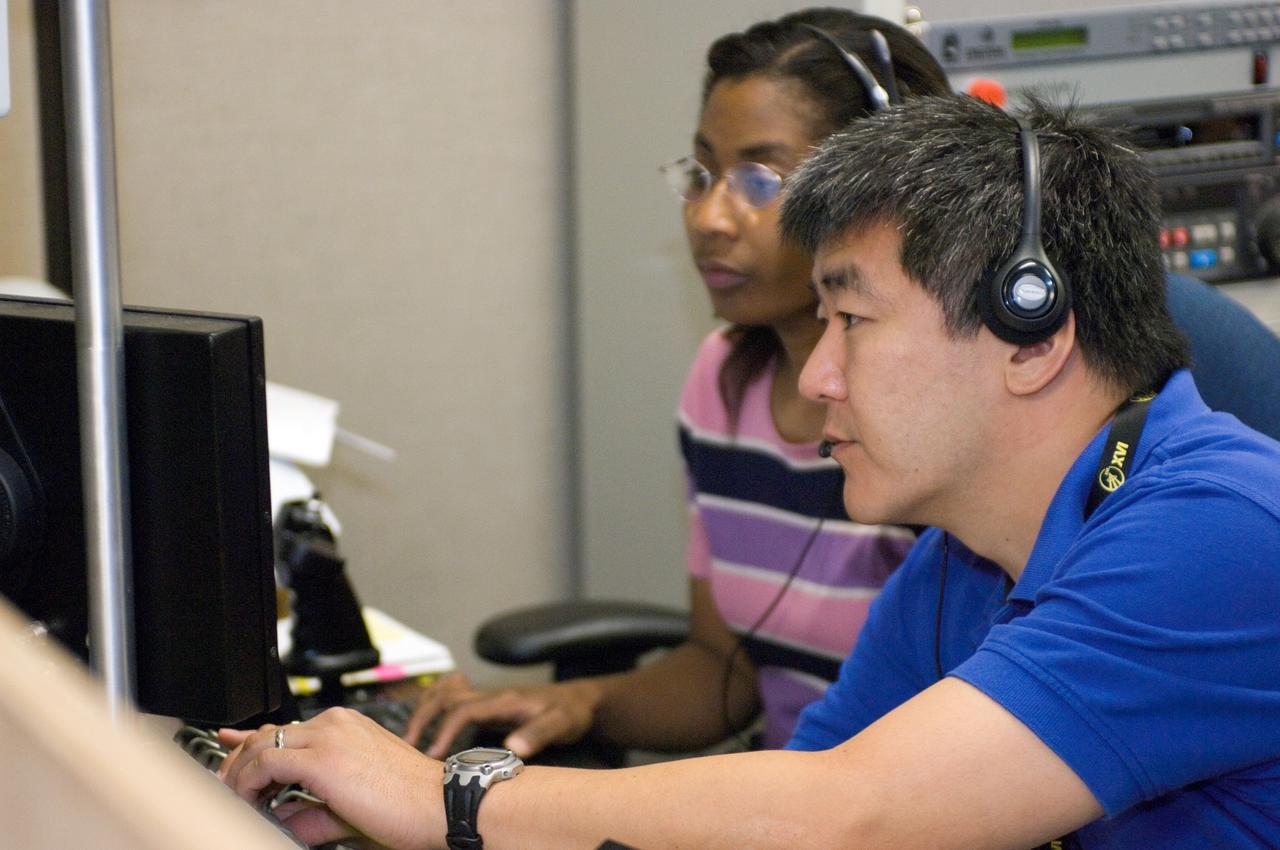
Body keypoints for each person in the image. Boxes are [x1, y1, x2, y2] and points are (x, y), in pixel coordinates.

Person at [220, 96, 1280, 849]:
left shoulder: (1215, 533)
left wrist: (447, 799)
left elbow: (845, 816)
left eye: (852, 320)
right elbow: (788, 806)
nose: (817, 375)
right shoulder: (958, 563)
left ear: (1029, 331)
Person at [402, 8, 950, 760]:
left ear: (889, 195)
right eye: (701, 173)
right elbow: (722, 674)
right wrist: (577, 702)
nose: (709, 217)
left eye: (760, 178)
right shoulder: (721, 381)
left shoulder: (948, 411)